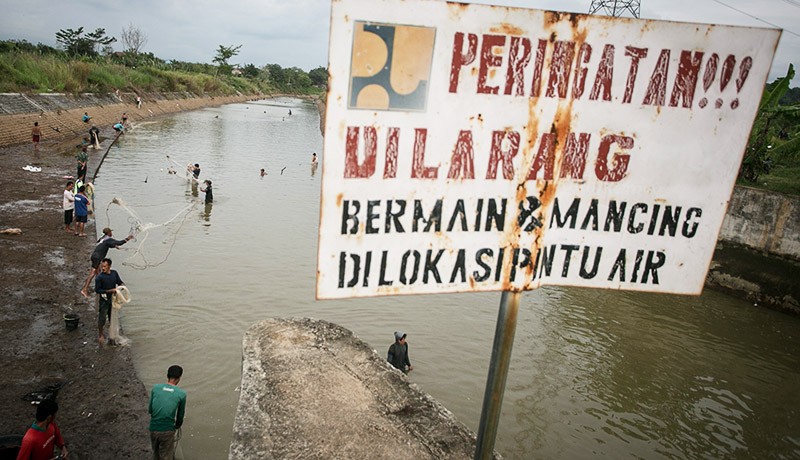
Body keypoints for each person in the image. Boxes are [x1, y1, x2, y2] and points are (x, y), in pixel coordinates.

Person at [80, 228, 132, 297]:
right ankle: (84, 289)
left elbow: (105, 245)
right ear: (109, 233)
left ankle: (99, 288)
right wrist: (127, 239)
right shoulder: (109, 239)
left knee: (98, 273)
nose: (112, 233)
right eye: (111, 232)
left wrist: (114, 246)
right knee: (92, 273)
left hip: (95, 256)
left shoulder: (103, 238)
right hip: (98, 257)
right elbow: (119, 242)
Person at [149, 365, 187, 460]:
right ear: (179, 378)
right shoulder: (181, 394)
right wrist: (177, 426)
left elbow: (150, 410)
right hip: (167, 430)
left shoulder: (155, 388)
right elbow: (180, 417)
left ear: (167, 375)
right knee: (166, 456)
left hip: (153, 428)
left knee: (155, 453)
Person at [95, 258, 124, 344]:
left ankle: (113, 335)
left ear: (109, 266)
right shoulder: (99, 277)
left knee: (112, 318)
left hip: (113, 300)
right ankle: (100, 334)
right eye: (102, 266)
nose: (103, 268)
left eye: (105, 266)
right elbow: (97, 290)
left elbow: (120, 282)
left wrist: (122, 286)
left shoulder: (114, 273)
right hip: (104, 300)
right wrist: (109, 291)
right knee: (102, 318)